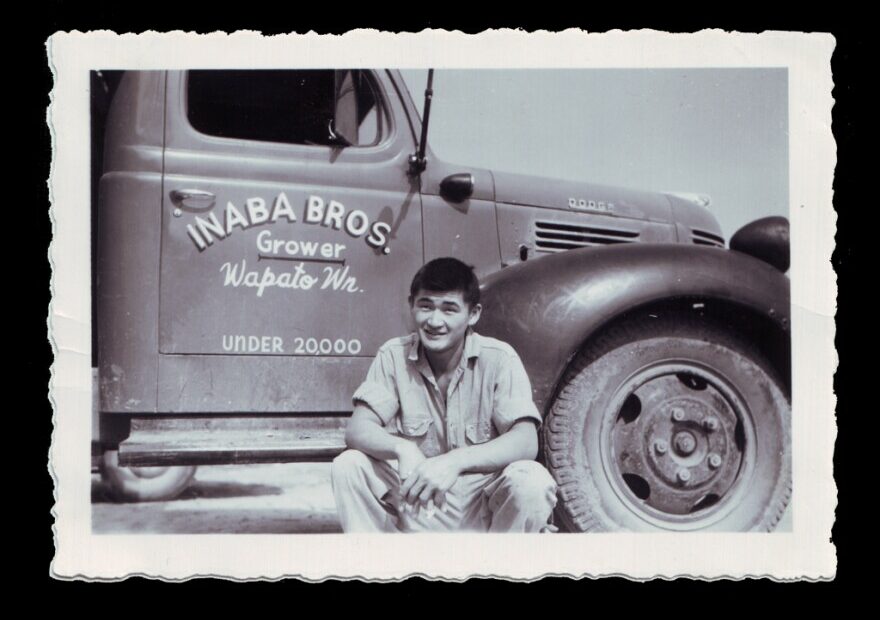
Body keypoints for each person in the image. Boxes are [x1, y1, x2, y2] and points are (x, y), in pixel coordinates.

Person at [331, 257, 557, 532]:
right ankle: (379, 570)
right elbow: (357, 429)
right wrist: (403, 448)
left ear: (473, 314)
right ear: (411, 305)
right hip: (417, 505)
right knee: (349, 465)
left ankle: (501, 568)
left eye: (449, 309)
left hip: (481, 510)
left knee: (532, 480)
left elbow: (525, 441)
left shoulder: (499, 358)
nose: (434, 321)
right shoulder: (393, 355)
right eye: (425, 306)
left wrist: (453, 462)